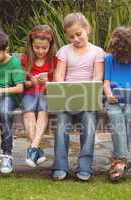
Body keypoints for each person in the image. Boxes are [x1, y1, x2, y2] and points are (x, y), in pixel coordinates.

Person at [52, 12, 105, 181]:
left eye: (78, 34)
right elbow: (58, 76)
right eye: (71, 37)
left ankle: (84, 166)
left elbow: (98, 77)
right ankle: (60, 165)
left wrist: (85, 90)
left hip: (87, 98)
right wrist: (65, 89)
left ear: (87, 29)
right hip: (67, 98)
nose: (75, 39)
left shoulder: (97, 52)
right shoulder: (64, 51)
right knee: (61, 123)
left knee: (89, 122)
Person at [103, 26, 131, 182]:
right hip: (114, 99)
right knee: (115, 116)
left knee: (130, 115)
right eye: (125, 56)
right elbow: (106, 83)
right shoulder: (109, 59)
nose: (128, 60)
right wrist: (108, 95)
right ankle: (122, 161)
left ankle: (118, 161)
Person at [0, 28, 24, 174]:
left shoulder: (14, 63)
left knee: (4, 111)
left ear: (6, 49)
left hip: (10, 95)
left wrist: (0, 90)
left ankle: (7, 153)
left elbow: (20, 88)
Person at [20, 25, 57, 167]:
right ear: (31, 45)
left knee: (43, 110)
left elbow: (58, 80)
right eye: (37, 47)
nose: (40, 51)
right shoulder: (25, 59)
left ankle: (33, 147)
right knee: (28, 112)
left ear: (50, 46)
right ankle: (37, 150)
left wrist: (49, 81)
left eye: (44, 48)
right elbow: (21, 81)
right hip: (30, 92)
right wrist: (31, 82)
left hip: (46, 92)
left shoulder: (54, 60)